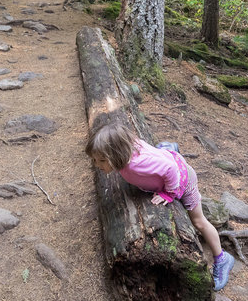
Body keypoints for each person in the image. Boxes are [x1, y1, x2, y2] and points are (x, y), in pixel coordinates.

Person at [86, 123, 235, 290]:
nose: (97, 165)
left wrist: (170, 193)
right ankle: (168, 149)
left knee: (199, 221)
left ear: (117, 154)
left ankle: (222, 259)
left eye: (102, 160)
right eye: (95, 160)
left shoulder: (136, 164)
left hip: (184, 180)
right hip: (168, 160)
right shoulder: (128, 147)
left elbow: (170, 168)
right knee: (162, 159)